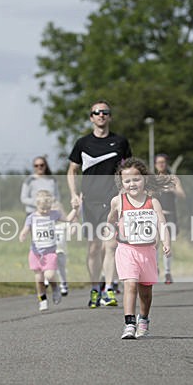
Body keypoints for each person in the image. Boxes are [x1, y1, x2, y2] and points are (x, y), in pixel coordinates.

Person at [67, 100, 132, 309]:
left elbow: (129, 169)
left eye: (105, 112)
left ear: (110, 116)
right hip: (90, 202)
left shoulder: (120, 142)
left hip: (112, 200)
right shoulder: (83, 143)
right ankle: (95, 288)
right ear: (91, 117)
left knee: (110, 245)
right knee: (94, 248)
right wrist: (74, 194)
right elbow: (72, 171)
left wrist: (127, 192)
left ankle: (110, 289)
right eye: (97, 112)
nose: (101, 115)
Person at [106, 158, 171, 339]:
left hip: (147, 252)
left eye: (136, 179)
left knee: (146, 292)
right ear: (122, 182)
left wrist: (166, 242)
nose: (132, 184)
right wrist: (110, 225)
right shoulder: (118, 201)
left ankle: (144, 318)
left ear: (144, 179)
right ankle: (129, 323)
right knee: (130, 284)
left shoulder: (153, 202)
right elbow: (110, 220)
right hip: (126, 250)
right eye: (127, 181)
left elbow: (162, 224)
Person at [19, 190, 79, 311]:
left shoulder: (54, 214)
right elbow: (25, 229)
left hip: (50, 252)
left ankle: (55, 288)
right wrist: (23, 234)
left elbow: (67, 219)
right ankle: (42, 299)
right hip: (36, 253)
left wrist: (75, 209)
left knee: (50, 275)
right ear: (37, 206)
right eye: (43, 209)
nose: (46, 211)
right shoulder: (31, 217)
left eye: (47, 208)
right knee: (39, 278)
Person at [20, 156, 68, 294]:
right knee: (38, 245)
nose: (39, 167)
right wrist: (39, 203)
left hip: (51, 215)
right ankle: (42, 273)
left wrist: (53, 207)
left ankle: (52, 273)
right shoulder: (29, 180)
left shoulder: (52, 180)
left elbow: (57, 198)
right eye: (36, 165)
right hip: (34, 216)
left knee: (56, 246)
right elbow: (23, 198)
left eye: (41, 165)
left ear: (45, 166)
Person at [153, 153, 185, 284]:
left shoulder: (173, 179)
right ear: (155, 165)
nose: (161, 164)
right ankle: (155, 268)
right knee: (154, 244)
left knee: (167, 244)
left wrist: (172, 189)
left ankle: (167, 272)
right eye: (158, 162)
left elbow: (183, 195)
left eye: (163, 162)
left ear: (167, 164)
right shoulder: (153, 180)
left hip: (170, 214)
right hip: (155, 215)